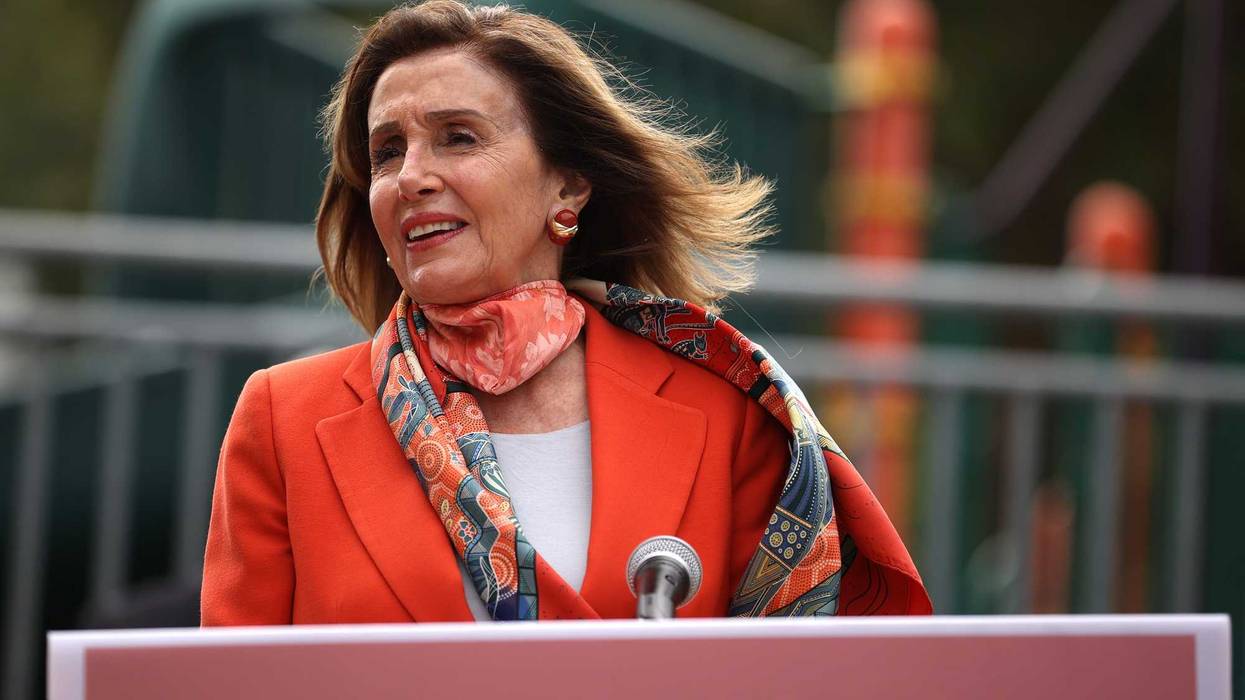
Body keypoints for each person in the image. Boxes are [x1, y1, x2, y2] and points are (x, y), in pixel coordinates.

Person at [201, 0, 930, 624]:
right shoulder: (283, 420)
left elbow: (791, 673)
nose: (411, 176)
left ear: (568, 184)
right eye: (388, 152)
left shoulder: (727, 412)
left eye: (458, 137)